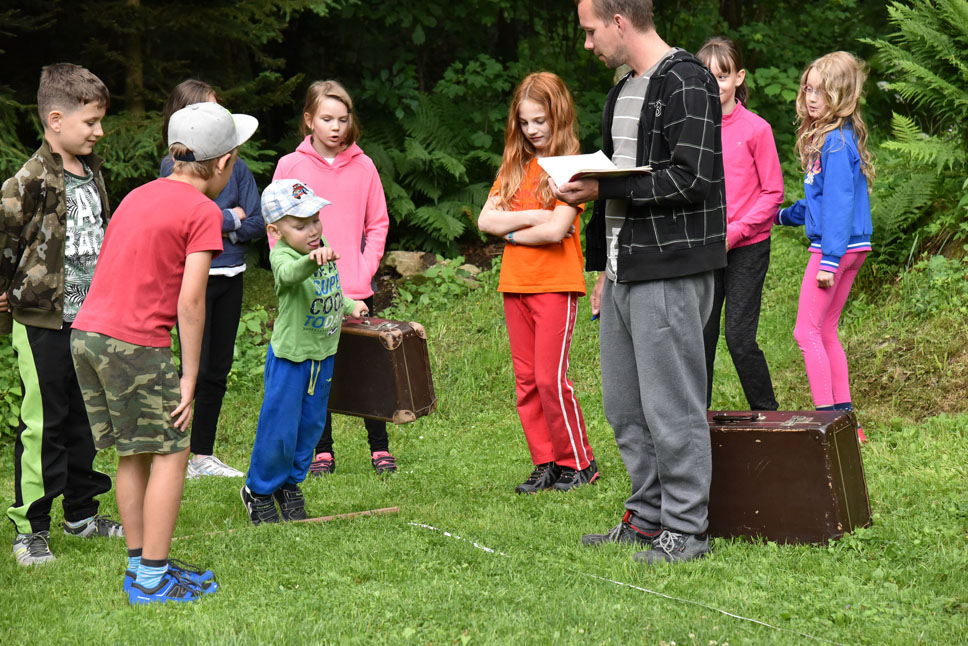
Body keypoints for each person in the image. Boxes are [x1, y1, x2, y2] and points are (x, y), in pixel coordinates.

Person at [556, 0, 727, 564]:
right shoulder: (623, 88)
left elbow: (693, 177)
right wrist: (603, 265)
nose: (588, 44)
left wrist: (603, 188)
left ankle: (686, 529)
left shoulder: (687, 81)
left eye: (591, 32)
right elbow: (619, 176)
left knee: (672, 407)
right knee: (625, 408)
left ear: (619, 22)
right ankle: (647, 517)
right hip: (623, 270)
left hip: (671, 269)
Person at [70, 102, 257, 603]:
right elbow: (191, 301)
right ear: (224, 162)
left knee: (134, 452)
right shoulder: (203, 211)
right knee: (173, 452)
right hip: (134, 343)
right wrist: (189, 378)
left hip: (87, 335)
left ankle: (141, 566)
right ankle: (152, 580)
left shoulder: (139, 194)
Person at [1, 63, 123, 567]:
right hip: (43, 323)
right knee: (43, 424)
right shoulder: (27, 180)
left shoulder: (91, 172)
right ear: (56, 119)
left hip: (89, 321)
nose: (99, 131)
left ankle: (82, 514)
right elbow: (6, 241)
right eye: (91, 122)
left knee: (85, 420)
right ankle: (31, 529)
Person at [477, 72, 599, 494]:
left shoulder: (573, 167)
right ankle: (546, 462)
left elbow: (557, 230)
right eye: (525, 122)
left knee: (550, 379)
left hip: (555, 284)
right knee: (526, 382)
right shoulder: (514, 165)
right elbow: (485, 220)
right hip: (515, 284)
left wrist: (511, 230)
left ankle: (578, 462)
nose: (532, 130)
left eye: (540, 121)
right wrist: (531, 217)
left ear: (558, 115)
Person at [271, 80, 393, 475]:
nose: (336, 127)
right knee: (317, 371)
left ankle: (380, 447)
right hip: (311, 288)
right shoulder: (291, 166)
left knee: (368, 368)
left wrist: (364, 267)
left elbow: (378, 223)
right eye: (326, 119)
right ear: (309, 120)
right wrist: (291, 269)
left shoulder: (364, 166)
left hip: (355, 287)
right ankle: (322, 450)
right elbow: (276, 227)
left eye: (343, 119)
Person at [240, 179, 368, 525]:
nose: (313, 230)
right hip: (290, 360)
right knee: (279, 429)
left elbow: (329, 290)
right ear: (275, 231)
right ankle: (259, 490)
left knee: (310, 427)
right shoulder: (283, 255)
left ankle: (289, 484)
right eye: (301, 225)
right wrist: (312, 260)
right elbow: (290, 275)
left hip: (323, 355)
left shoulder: (320, 247)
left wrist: (351, 305)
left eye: (315, 220)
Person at [160, 80, 265, 479]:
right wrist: (229, 218)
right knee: (194, 369)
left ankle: (202, 455)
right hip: (195, 280)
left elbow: (256, 221)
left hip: (232, 275)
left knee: (217, 370)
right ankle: (176, 453)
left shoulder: (239, 168)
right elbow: (185, 216)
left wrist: (230, 222)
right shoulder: (172, 166)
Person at [775, 51, 874, 442]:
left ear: (842, 96)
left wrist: (829, 260)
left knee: (806, 332)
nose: (812, 98)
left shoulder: (834, 142)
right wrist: (782, 216)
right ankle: (849, 426)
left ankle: (828, 426)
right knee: (827, 329)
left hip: (836, 249)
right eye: (809, 89)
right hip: (853, 245)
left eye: (822, 92)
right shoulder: (836, 138)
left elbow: (838, 205)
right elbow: (821, 202)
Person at [696, 37, 783, 411]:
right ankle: (694, 422)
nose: (715, 84)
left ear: (739, 77)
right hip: (706, 246)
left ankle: (768, 414)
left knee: (738, 337)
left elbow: (773, 193)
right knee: (701, 336)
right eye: (707, 76)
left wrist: (737, 231)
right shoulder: (693, 129)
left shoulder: (756, 129)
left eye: (723, 75)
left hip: (747, 246)